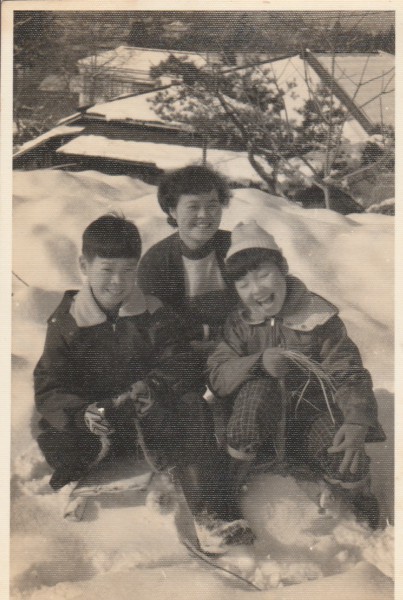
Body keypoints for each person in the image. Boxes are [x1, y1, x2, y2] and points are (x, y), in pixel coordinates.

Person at [33, 213, 252, 551]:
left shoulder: (151, 311)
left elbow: (180, 359)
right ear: (84, 265)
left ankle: (211, 516)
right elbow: (50, 385)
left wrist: (155, 386)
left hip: (150, 413)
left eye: (128, 270)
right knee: (59, 438)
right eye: (107, 270)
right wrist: (82, 413)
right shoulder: (67, 322)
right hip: (100, 424)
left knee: (192, 407)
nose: (118, 282)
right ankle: (91, 469)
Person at [207, 220, 386, 529]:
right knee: (252, 402)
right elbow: (218, 374)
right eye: (244, 283)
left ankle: (359, 496)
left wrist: (357, 420)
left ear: (283, 268)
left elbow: (347, 369)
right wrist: (258, 362)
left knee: (344, 456)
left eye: (263, 275)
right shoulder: (239, 324)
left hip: (313, 415)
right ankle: (229, 490)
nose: (257, 289)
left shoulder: (317, 317)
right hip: (262, 423)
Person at [137, 164, 238, 355]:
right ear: (172, 211)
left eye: (212, 205)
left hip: (241, 349)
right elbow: (158, 330)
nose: (204, 215)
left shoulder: (237, 246)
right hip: (183, 357)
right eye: (193, 206)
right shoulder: (156, 262)